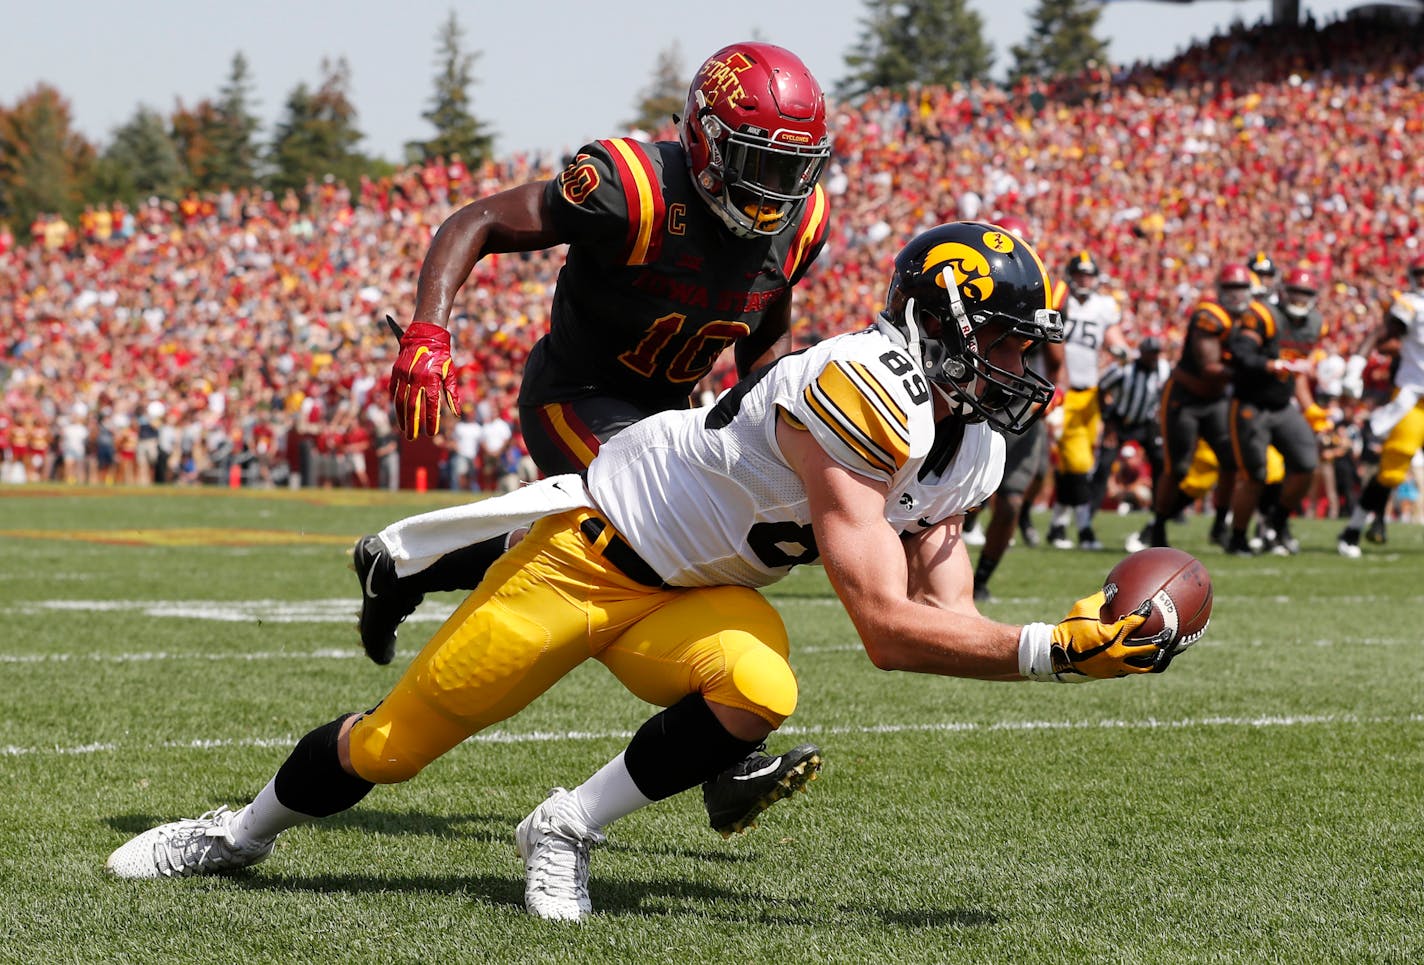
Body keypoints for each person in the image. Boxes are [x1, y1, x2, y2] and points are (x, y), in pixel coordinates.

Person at [106, 222, 1190, 923]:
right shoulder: (866, 386)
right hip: (589, 559)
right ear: (934, 326)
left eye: (1024, 347)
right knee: (391, 747)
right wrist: (1056, 656)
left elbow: (942, 610)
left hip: (695, 592)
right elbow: (883, 628)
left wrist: (1069, 638)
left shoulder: (971, 445)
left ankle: (565, 825)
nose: (1021, 368)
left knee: (759, 688)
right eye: (1001, 343)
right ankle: (237, 831)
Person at [353, 42, 834, 837]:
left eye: (794, 169)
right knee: (655, 543)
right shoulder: (631, 187)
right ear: (707, 142)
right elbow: (474, 220)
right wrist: (431, 331)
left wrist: (772, 417)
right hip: (578, 395)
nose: (777, 190)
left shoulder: (802, 220)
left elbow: (764, 331)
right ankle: (725, 762)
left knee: (625, 537)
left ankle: (404, 565)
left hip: (675, 412)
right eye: (759, 163)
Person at [968, 214, 1067, 603]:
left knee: (1010, 500)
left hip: (1016, 401)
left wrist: (1058, 396)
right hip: (969, 396)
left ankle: (981, 580)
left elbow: (1055, 357)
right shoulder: (971, 285)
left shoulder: (1044, 293)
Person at [1141, 263, 1264, 549]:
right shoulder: (1210, 315)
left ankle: (1220, 524)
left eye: (1241, 289)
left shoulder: (1250, 318)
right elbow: (1209, 366)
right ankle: (1157, 525)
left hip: (1217, 399)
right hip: (1186, 397)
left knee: (1231, 461)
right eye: (1231, 289)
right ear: (1220, 290)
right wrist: (1251, 367)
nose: (1236, 295)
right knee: (1179, 467)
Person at [1224, 266, 1327, 556]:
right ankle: (1238, 536)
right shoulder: (1263, 315)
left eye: (1305, 292)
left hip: (1283, 406)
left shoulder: (1314, 323)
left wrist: (1315, 414)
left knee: (1307, 463)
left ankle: (1277, 523)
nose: (1299, 297)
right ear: (1283, 291)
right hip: (1251, 404)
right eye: (1295, 291)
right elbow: (1241, 354)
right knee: (1255, 475)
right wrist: (1274, 365)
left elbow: (1301, 375)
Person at [1338, 256, 1424, 556]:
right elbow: (1380, 334)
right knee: (1391, 471)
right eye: (1420, 275)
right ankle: (1353, 529)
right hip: (1414, 398)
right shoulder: (1412, 304)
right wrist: (1356, 366)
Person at [1045, 251, 1127, 550]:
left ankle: (1057, 526)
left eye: (1088, 275)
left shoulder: (1103, 306)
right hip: (1061, 392)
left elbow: (1115, 337)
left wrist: (1120, 349)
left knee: (1074, 465)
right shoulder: (1060, 302)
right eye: (1079, 274)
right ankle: (1084, 527)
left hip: (1090, 393)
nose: (1084, 280)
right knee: (1077, 462)